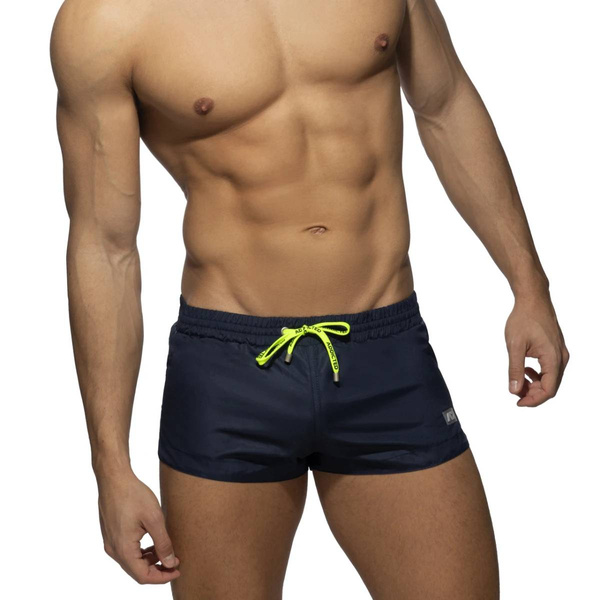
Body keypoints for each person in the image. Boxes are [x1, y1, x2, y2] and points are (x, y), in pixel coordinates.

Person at [50, 0, 569, 597]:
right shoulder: (108, 22)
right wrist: (111, 467)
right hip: (230, 374)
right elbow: (104, 244)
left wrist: (529, 285)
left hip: (385, 354)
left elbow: (444, 104)